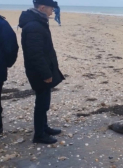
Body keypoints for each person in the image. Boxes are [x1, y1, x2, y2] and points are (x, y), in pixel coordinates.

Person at [19, 0, 65, 144]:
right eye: (51, 8)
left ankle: (44, 127)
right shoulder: (34, 26)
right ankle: (39, 135)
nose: (53, 11)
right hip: (38, 72)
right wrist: (46, 74)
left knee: (44, 101)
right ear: (43, 7)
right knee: (42, 103)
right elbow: (35, 54)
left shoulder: (38, 22)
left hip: (42, 69)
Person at [0, 15, 19, 134]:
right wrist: (6, 63)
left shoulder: (2, 24)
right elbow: (11, 47)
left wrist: (6, 63)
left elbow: (11, 47)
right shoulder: (2, 24)